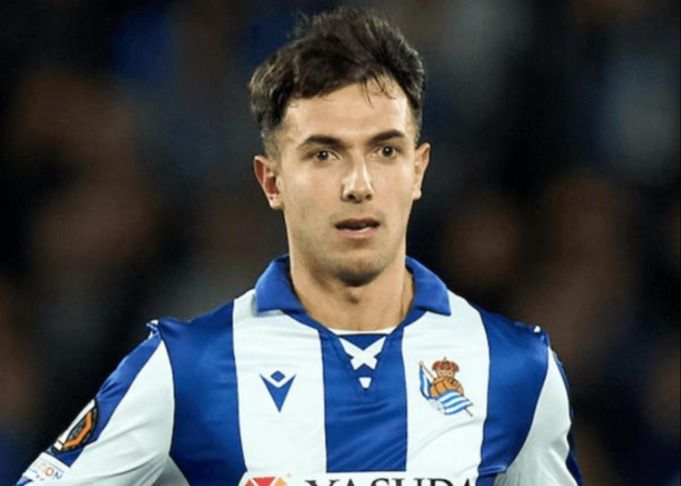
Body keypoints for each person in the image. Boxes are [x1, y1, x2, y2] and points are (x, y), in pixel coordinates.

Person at [18, 7, 582, 485]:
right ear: (272, 181)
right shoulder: (187, 368)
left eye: (385, 151)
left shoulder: (516, 370)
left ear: (418, 170)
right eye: (323, 154)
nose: (358, 183)